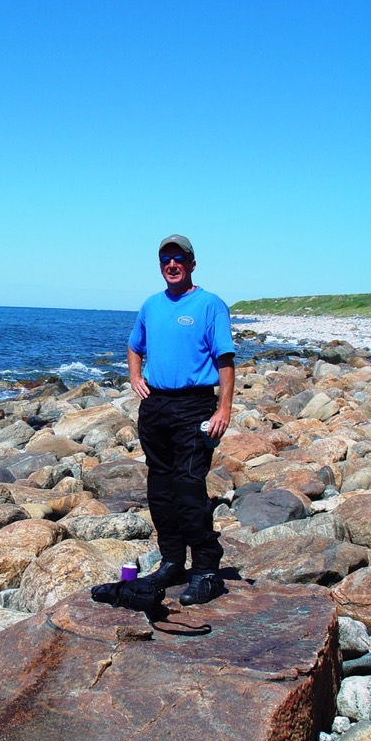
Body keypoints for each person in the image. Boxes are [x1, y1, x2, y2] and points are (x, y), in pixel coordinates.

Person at [128, 234, 235, 605]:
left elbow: (225, 360)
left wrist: (223, 409)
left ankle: (206, 568)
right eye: (165, 260)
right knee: (160, 487)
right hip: (156, 405)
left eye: (179, 258)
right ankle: (172, 560)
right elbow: (134, 345)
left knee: (189, 485)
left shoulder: (210, 305)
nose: (171, 265)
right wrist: (135, 377)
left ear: (192, 263)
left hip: (194, 406)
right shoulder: (151, 305)